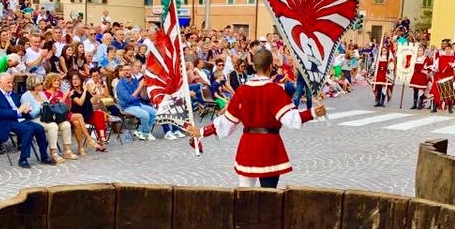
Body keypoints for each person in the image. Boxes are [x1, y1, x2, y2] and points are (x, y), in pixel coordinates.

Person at [186, 48, 326, 188]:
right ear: (271, 66)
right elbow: (291, 119)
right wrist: (313, 113)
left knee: (245, 195)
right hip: (269, 146)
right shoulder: (275, 90)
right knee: (269, 196)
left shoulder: (242, 91)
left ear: (253, 66)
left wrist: (203, 131)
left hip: (248, 146)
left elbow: (227, 122)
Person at [0, 73, 58, 169]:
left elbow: (21, 110)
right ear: (0, 83)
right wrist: (18, 111)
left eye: (12, 83)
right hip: (6, 122)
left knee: (39, 128)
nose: (11, 85)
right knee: (28, 129)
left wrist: (25, 111)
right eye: (8, 83)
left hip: (19, 119)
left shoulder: (14, 95)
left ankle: (44, 156)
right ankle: (23, 158)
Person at [21, 75, 75, 163]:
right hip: (35, 119)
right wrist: (41, 105)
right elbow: (31, 114)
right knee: (52, 126)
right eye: (40, 84)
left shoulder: (41, 94)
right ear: (34, 84)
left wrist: (50, 103)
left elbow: (48, 107)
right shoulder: (26, 96)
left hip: (47, 117)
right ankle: (53, 152)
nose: (42, 85)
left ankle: (67, 150)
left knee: (66, 124)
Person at [116, 64, 157, 141]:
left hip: (137, 104)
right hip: (127, 107)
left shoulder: (134, 81)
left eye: (128, 69)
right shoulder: (120, 84)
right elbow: (129, 99)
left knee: (155, 113)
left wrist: (144, 86)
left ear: (131, 70)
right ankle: (147, 132)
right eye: (124, 70)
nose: (126, 71)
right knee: (145, 115)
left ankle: (140, 131)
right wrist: (140, 87)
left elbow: (143, 96)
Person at [408, 46, 431, 110]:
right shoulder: (415, 58)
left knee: (421, 90)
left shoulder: (426, 58)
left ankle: (420, 104)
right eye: (418, 50)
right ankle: (414, 104)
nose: (419, 52)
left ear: (423, 51)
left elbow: (429, 67)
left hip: (422, 76)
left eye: (421, 50)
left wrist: (425, 71)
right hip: (415, 75)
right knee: (415, 90)